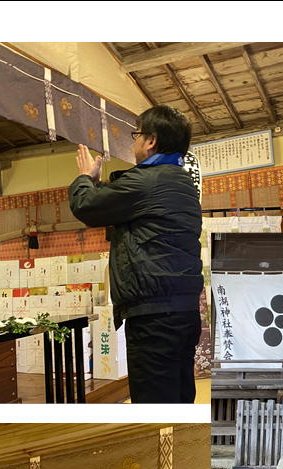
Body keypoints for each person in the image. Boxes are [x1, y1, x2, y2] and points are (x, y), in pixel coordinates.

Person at [68, 104, 204, 403]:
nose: (134, 142)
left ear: (151, 140)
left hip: (154, 317)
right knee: (178, 397)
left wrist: (85, 177)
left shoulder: (147, 181)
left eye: (136, 135)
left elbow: (87, 206)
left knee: (155, 402)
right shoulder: (181, 182)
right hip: (182, 312)